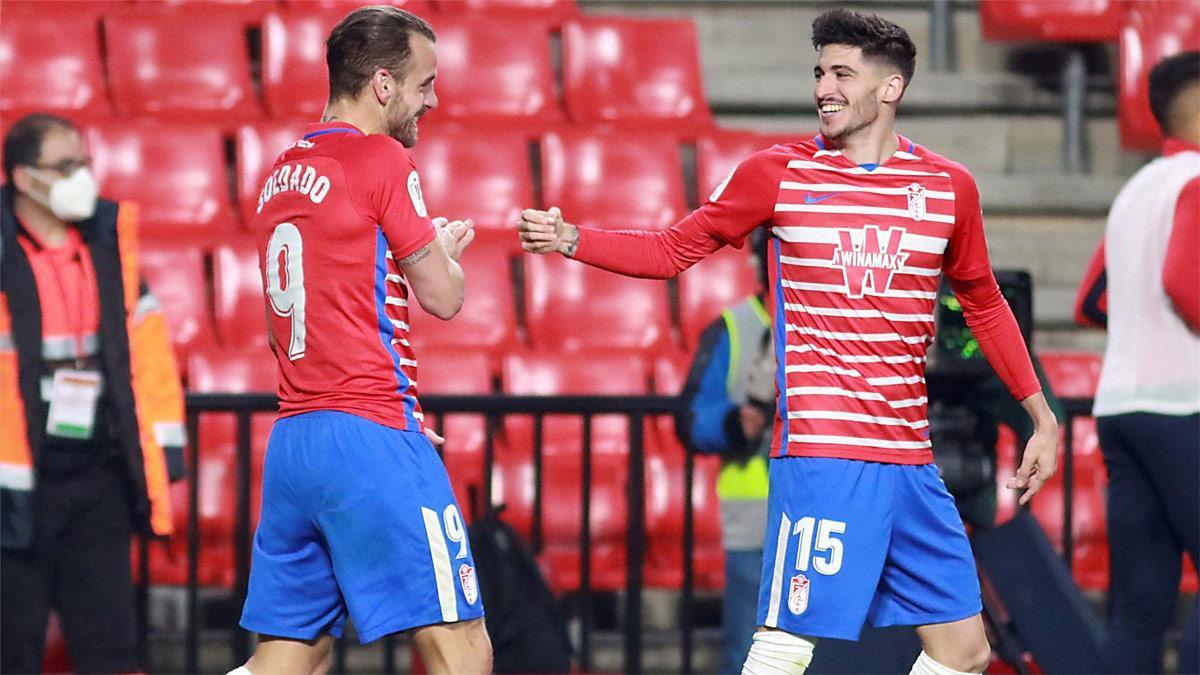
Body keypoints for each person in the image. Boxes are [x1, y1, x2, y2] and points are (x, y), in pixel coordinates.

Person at [519, 9, 1059, 675]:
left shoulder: (948, 187)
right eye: (818, 73)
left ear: (890, 89)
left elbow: (982, 299)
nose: (823, 88)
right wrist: (572, 237)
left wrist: (1040, 414)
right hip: (826, 454)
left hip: (911, 460)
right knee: (785, 644)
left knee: (965, 651)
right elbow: (670, 250)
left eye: (841, 73)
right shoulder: (778, 173)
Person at [230, 7, 491, 675]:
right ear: (383, 83)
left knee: (289, 659)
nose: (431, 100)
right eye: (424, 84)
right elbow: (443, 297)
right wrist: (444, 257)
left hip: (294, 443)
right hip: (370, 433)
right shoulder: (381, 156)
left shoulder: (279, 173)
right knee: (462, 649)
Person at [0, 113, 186, 673]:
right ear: (24, 177)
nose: (83, 176)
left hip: (98, 481)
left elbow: (150, 357)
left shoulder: (109, 247)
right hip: (14, 488)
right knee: (11, 652)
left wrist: (162, 455)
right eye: (66, 166)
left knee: (112, 650)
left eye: (84, 162)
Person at [1074, 50, 1199, 674]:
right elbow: (1183, 280)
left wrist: (1138, 333)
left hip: (1122, 407)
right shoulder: (1198, 182)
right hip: (1185, 406)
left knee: (1139, 609)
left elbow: (1090, 299)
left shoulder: (1137, 187)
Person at [677, 230, 774, 674]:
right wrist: (736, 424)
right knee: (748, 653)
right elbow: (691, 419)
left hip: (831, 513)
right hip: (755, 523)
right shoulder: (735, 328)